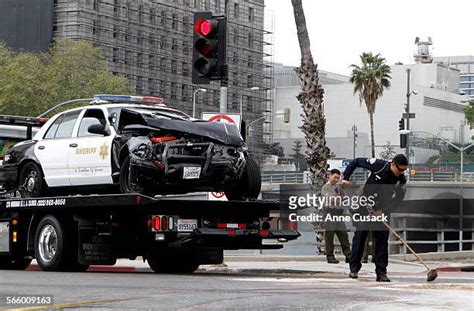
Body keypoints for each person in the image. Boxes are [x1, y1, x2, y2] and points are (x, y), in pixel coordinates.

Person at [341, 154, 408, 282]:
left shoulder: (401, 180)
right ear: (393, 164)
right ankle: (354, 269)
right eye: (399, 170)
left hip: (382, 210)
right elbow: (356, 161)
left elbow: (398, 199)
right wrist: (346, 177)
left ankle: (381, 272)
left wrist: (383, 211)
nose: (401, 173)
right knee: (360, 237)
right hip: (365, 206)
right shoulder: (379, 165)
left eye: (403, 170)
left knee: (382, 241)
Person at [321, 169, 351, 264]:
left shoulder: (338, 187)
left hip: (338, 212)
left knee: (343, 234)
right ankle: (330, 256)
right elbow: (332, 200)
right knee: (330, 235)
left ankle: (348, 255)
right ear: (330, 176)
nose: (336, 179)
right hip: (330, 212)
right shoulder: (326, 187)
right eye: (335, 177)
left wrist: (340, 199)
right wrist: (340, 199)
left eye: (338, 178)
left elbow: (345, 197)